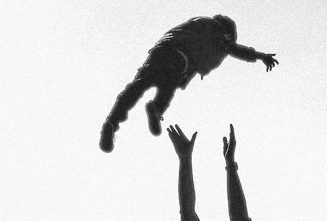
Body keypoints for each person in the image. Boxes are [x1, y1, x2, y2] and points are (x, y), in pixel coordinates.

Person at [100, 16, 277, 152]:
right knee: (167, 90)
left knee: (138, 86)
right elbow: (234, 49)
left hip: (159, 51)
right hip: (177, 58)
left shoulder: (195, 24)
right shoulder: (216, 30)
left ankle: (112, 122)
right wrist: (261, 56)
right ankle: (156, 109)